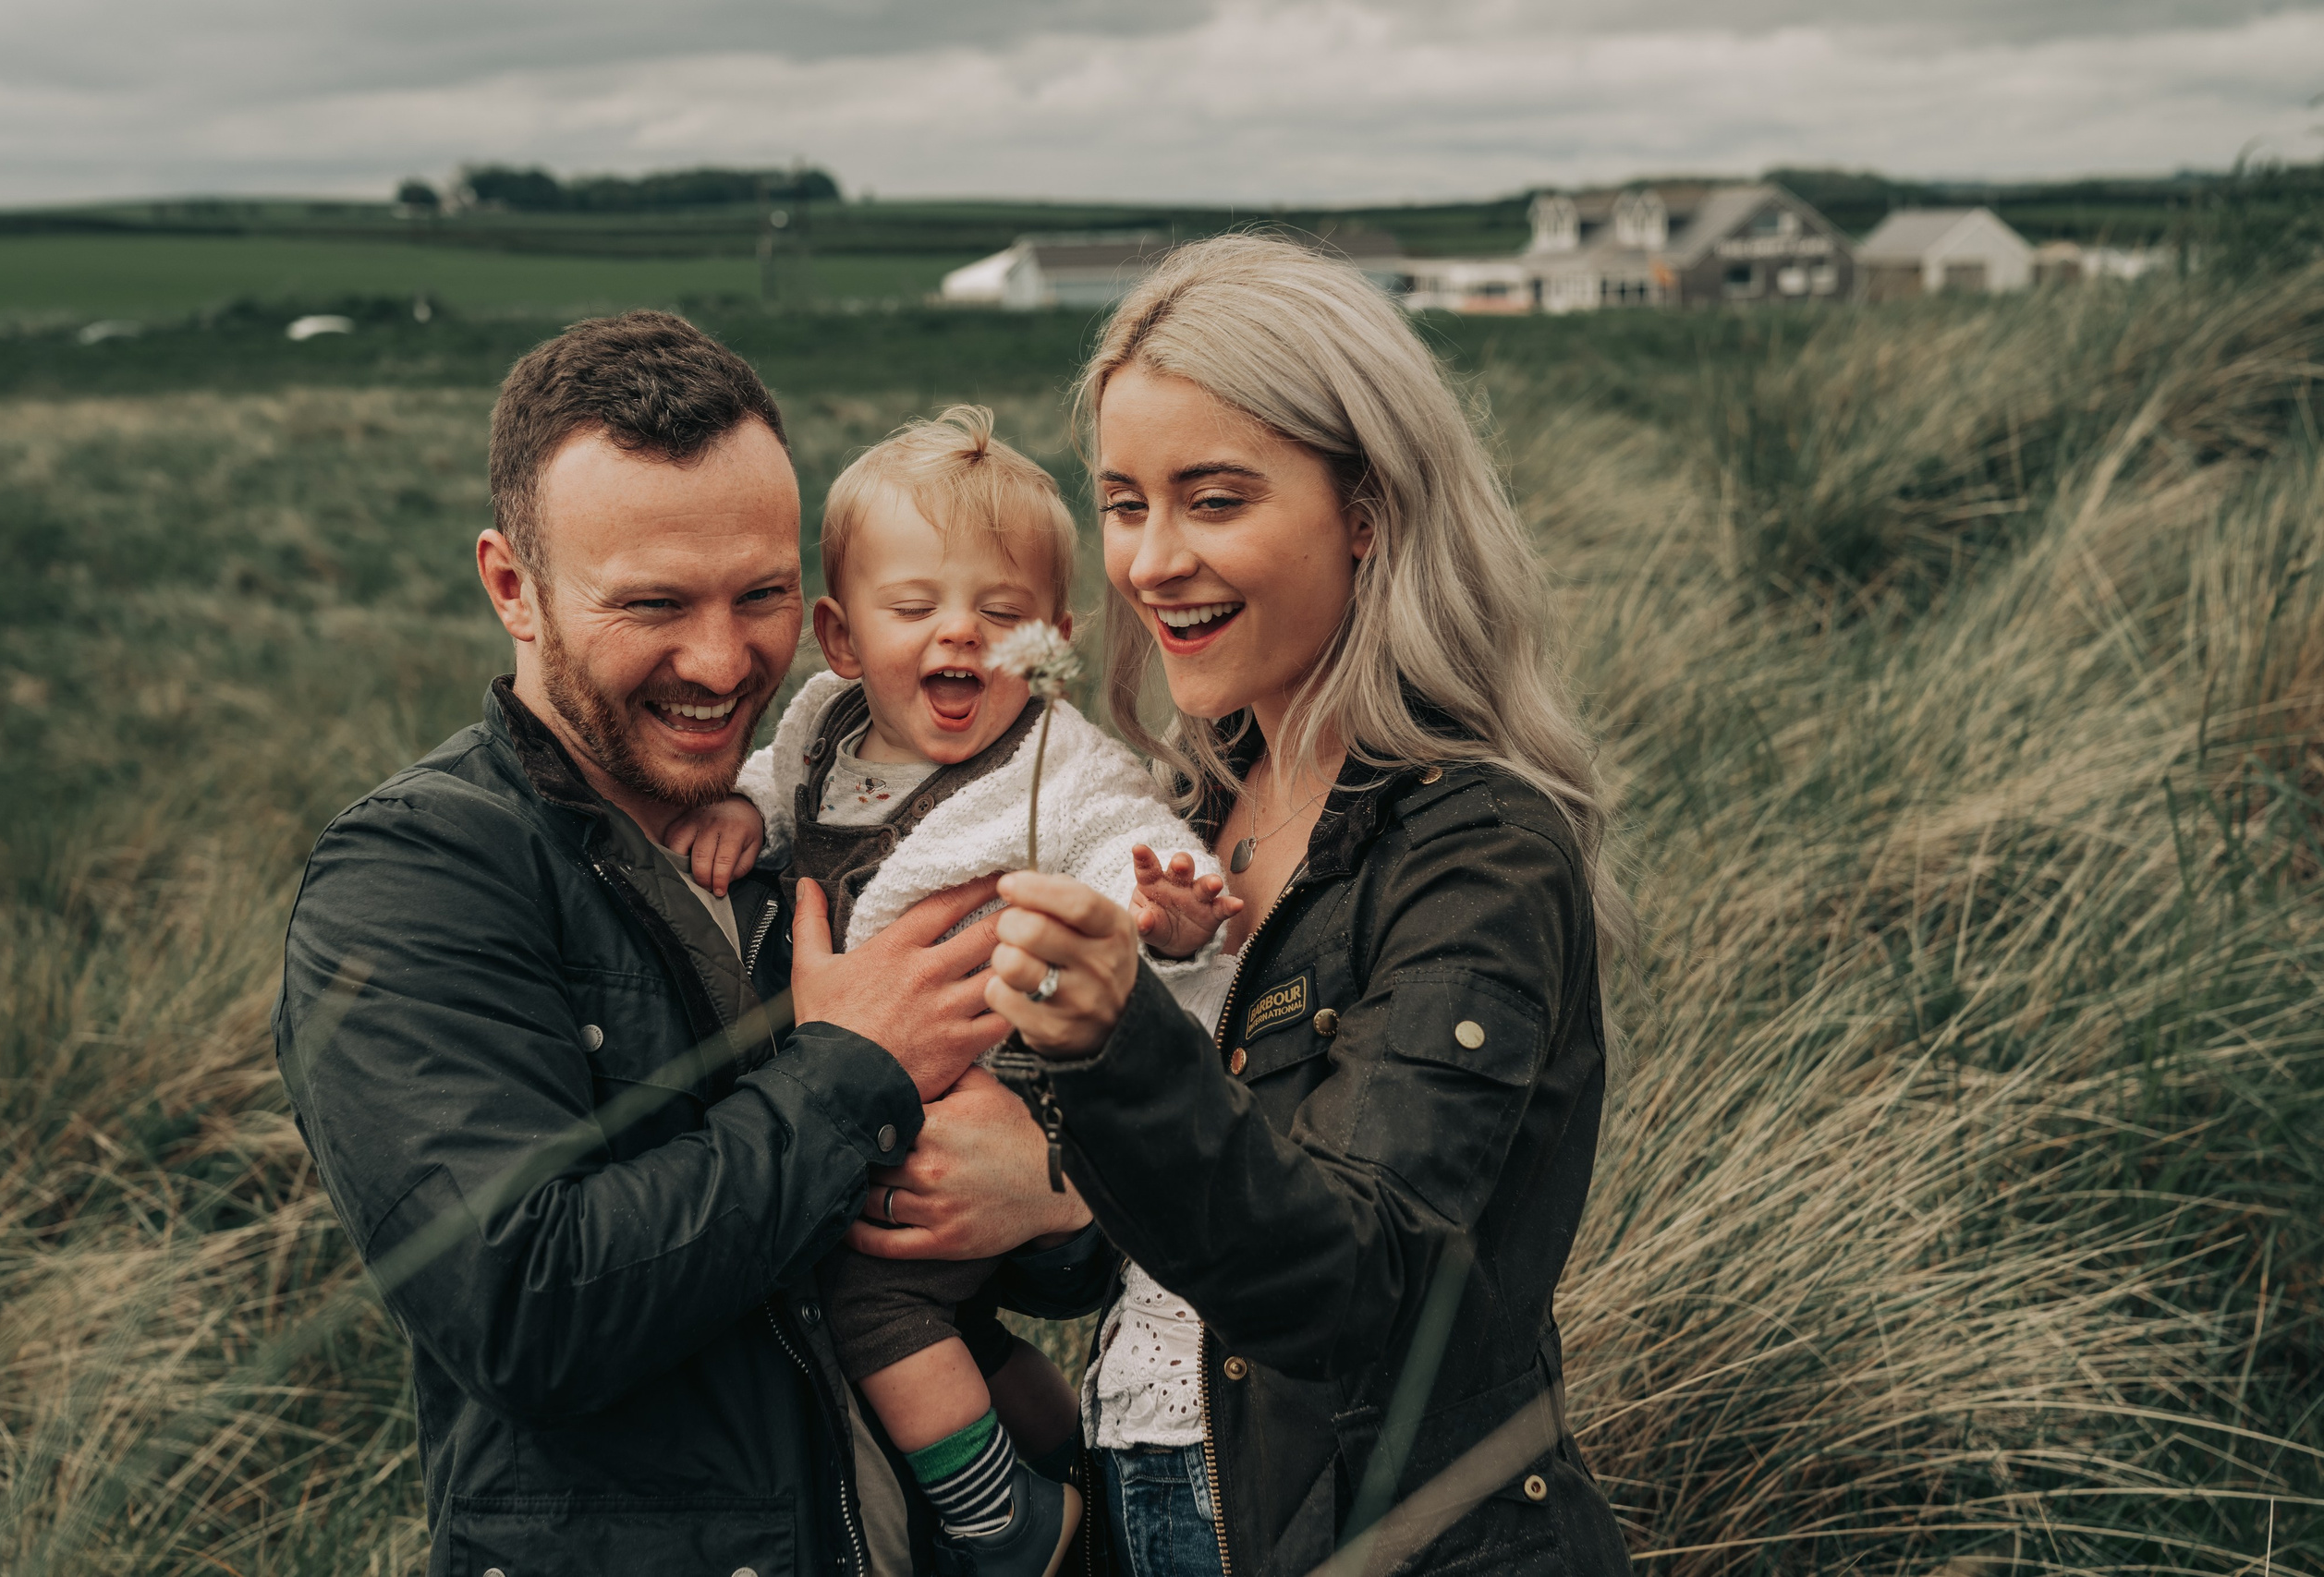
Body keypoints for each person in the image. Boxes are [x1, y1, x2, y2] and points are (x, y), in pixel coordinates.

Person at [271, 310, 1094, 1577]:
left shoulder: (844, 814)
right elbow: (524, 1305)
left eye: (761, 594)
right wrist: (853, 1066)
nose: (721, 661)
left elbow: (1066, 1258)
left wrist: (1054, 1190)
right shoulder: (416, 877)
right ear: (510, 585)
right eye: (652, 602)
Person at [972, 237, 1640, 1576]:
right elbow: (1122, 1267)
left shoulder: (1477, 851)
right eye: (1123, 502)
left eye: (1214, 498)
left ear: (1368, 510)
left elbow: (1354, 1283)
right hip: (1150, 1516)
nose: (1153, 560)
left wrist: (1117, 1050)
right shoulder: (1180, 817)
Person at [665, 406, 1240, 1576]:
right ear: (838, 634)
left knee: (862, 1299)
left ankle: (1003, 1523)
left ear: (1054, 637)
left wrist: (1167, 910)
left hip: (994, 1101)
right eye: (915, 609)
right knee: (944, 1325)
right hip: (872, 1090)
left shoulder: (1053, 762)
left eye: (1003, 614)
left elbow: (1124, 840)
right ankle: (1055, 1447)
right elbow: (779, 783)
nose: (960, 638)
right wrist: (744, 812)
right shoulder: (824, 725)